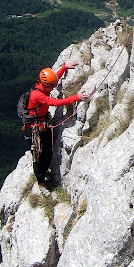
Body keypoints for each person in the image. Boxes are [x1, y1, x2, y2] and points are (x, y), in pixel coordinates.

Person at [27, 61, 89, 195]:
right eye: (51, 86)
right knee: (39, 155)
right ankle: (41, 182)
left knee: (48, 152)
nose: (53, 88)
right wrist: (76, 97)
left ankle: (45, 172)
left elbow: (53, 81)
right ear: (45, 85)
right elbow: (57, 102)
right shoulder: (38, 95)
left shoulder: (43, 87)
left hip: (43, 124)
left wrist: (64, 67)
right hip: (36, 129)